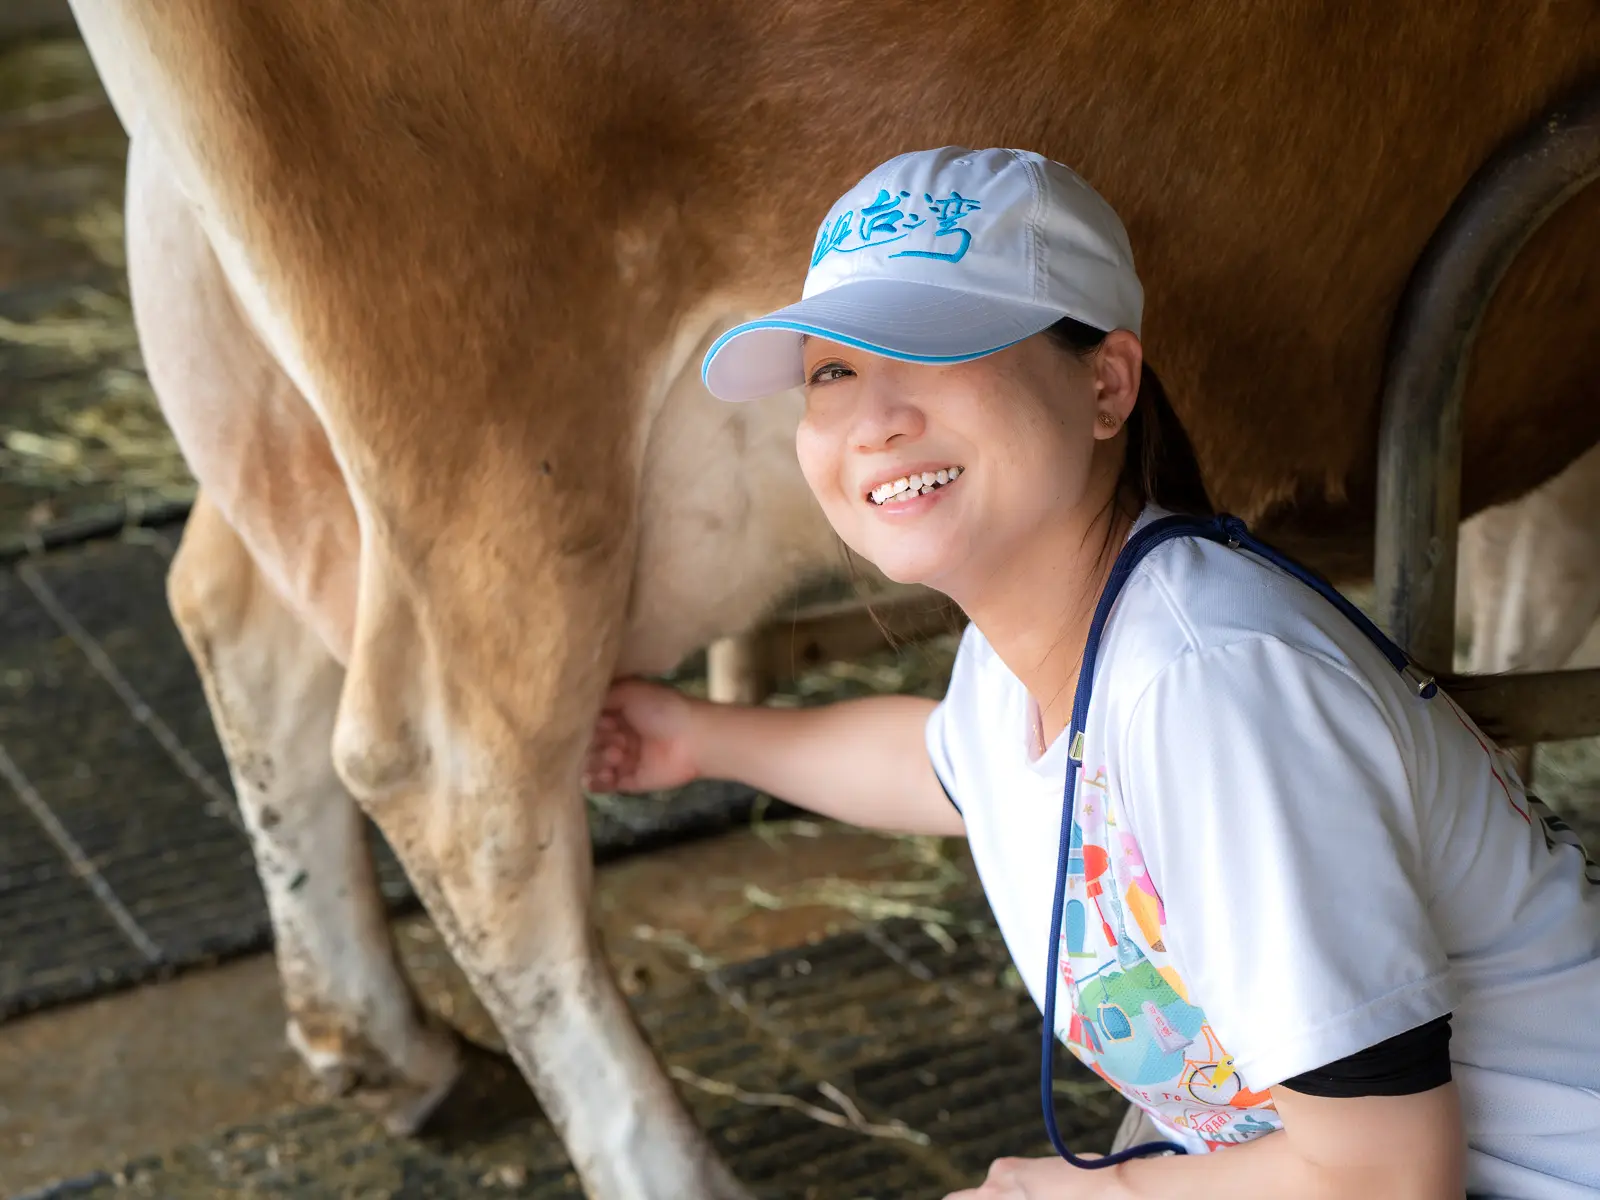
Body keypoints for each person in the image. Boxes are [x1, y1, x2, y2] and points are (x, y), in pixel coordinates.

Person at [582, 146, 1600, 1199]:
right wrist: (697, 738)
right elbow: (946, 766)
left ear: (1105, 384)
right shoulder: (1039, 645)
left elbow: (1386, 1177)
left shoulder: (1207, 688)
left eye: (933, 348)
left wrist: (1080, 1193)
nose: (872, 420)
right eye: (829, 372)